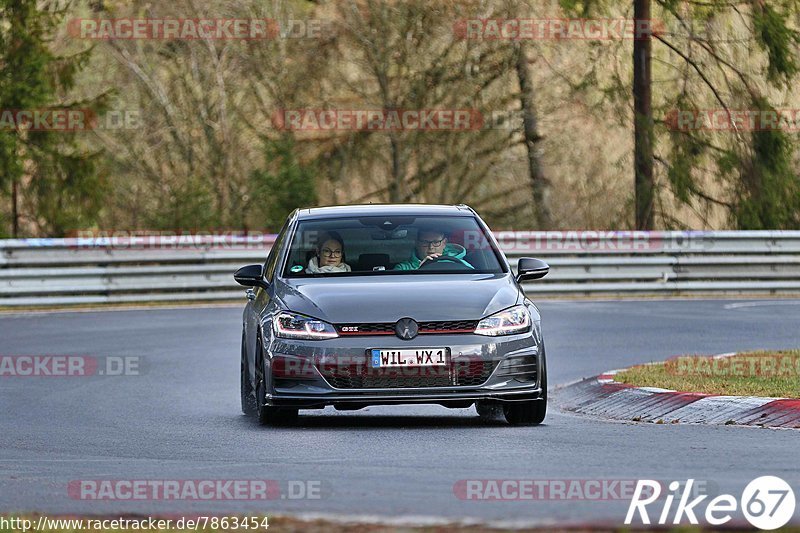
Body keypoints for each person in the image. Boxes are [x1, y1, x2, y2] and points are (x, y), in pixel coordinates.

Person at [393, 227, 472, 270]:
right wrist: (420, 270)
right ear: (417, 243)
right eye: (425, 242)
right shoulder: (403, 268)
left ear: (444, 243)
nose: (431, 247)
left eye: (436, 242)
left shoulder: (460, 264)